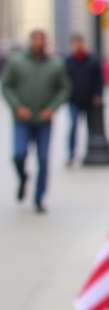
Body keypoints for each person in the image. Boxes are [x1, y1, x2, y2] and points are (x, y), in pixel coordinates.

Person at [1, 30, 71, 213]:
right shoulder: (17, 62)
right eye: (35, 40)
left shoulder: (55, 65)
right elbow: (6, 86)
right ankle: (23, 176)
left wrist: (52, 108)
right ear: (30, 41)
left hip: (43, 119)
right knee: (19, 154)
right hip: (22, 118)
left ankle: (39, 197)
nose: (38, 43)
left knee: (43, 158)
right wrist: (16, 106)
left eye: (41, 40)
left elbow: (64, 89)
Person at [63, 34, 103, 166]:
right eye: (74, 43)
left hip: (89, 100)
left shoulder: (92, 60)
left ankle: (90, 152)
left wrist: (98, 94)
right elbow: (63, 80)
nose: (76, 46)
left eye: (78, 43)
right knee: (73, 126)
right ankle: (71, 154)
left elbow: (99, 79)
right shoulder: (68, 61)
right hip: (73, 100)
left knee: (90, 127)